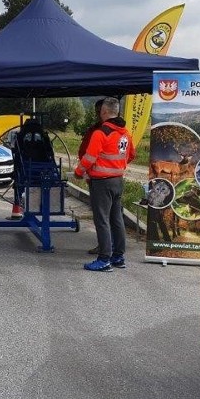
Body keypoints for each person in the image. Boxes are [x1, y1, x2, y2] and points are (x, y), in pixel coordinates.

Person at [73, 97, 135, 272]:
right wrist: (116, 166)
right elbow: (131, 155)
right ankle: (118, 256)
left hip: (102, 182)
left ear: (104, 112)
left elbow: (89, 158)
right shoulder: (125, 133)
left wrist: (79, 172)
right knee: (116, 219)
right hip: (118, 180)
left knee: (102, 220)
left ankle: (104, 259)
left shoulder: (101, 133)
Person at [78, 99, 105, 255]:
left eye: (99, 111)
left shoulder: (102, 132)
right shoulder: (94, 130)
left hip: (101, 179)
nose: (97, 114)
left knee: (103, 217)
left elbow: (88, 155)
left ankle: (105, 251)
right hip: (101, 178)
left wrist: (79, 171)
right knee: (106, 216)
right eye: (96, 111)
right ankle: (112, 250)